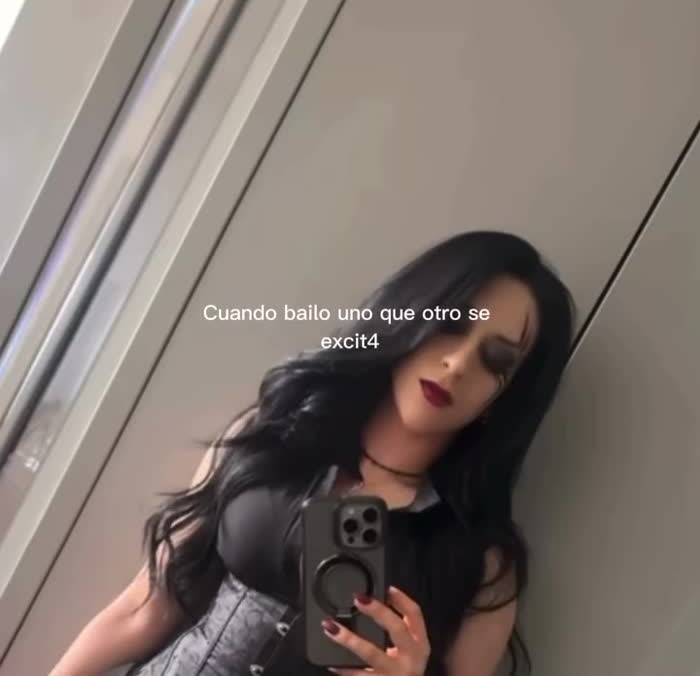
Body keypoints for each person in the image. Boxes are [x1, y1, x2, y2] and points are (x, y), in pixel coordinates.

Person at [50, 230, 575, 676]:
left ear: (503, 399)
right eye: (449, 325)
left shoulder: (480, 561)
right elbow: (146, 607)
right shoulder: (274, 436)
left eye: (494, 360)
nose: (457, 363)